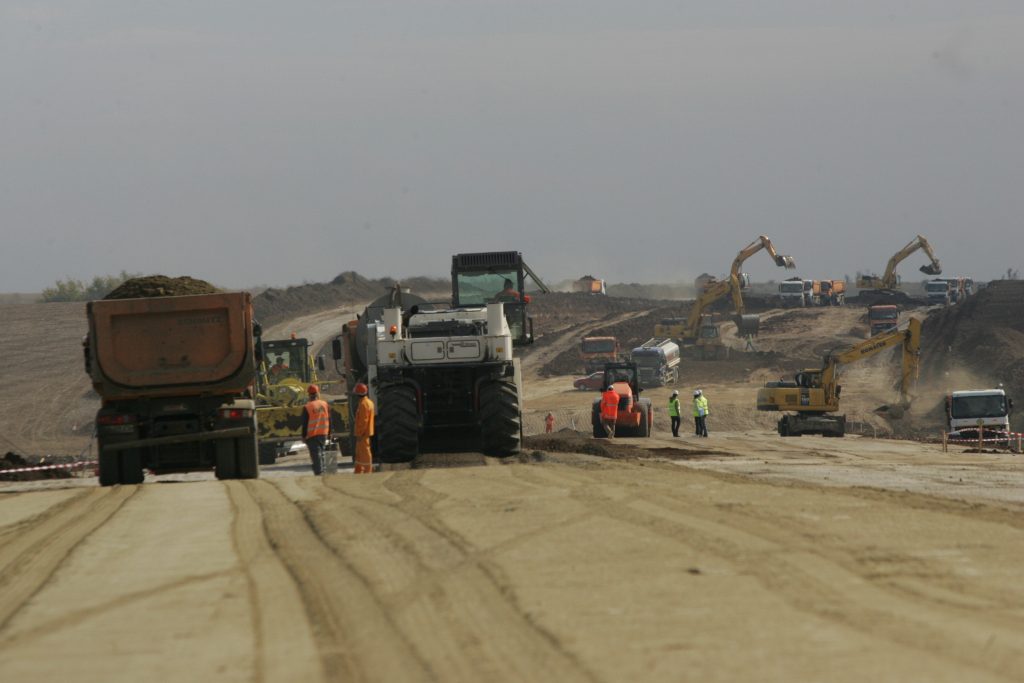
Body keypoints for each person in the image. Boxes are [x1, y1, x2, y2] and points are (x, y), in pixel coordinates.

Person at [302, 384, 331, 475]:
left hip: (312, 435)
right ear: (318, 393)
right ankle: (323, 471)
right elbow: (330, 419)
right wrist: (330, 432)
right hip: (323, 433)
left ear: (309, 394)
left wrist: (303, 436)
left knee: (316, 455)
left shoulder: (307, 407)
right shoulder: (325, 404)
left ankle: (319, 473)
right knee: (322, 452)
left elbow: (305, 423)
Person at [353, 382, 375, 474]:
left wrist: (359, 433)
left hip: (363, 434)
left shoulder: (363, 404)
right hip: (364, 433)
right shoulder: (368, 402)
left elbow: (363, 421)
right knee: (359, 454)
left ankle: (367, 471)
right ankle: (358, 471)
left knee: (365, 453)